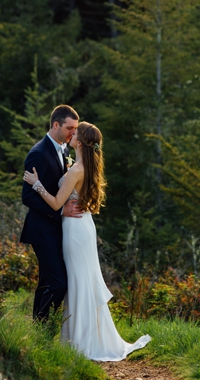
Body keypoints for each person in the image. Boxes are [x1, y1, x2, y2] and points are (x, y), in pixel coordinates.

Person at [23, 121, 151, 361]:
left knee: (79, 281)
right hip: (82, 227)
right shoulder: (85, 166)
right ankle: (82, 337)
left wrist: (36, 184)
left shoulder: (75, 170)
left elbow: (55, 203)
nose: (71, 134)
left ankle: (81, 342)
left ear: (79, 142)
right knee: (80, 280)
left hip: (74, 229)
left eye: (75, 132)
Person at [20, 105, 85, 321]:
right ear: (55, 125)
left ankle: (40, 328)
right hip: (42, 229)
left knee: (48, 281)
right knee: (58, 282)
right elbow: (27, 197)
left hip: (59, 230)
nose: (73, 133)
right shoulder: (38, 153)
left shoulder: (65, 150)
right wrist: (59, 211)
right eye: (70, 128)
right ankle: (43, 325)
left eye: (75, 129)